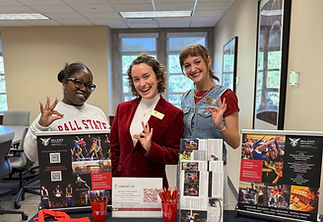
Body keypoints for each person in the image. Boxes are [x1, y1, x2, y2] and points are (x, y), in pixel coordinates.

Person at [110, 54, 183, 188]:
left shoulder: (173, 113)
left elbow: (177, 155)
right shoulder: (122, 109)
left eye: (146, 76)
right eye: (136, 79)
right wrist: (115, 178)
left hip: (153, 186)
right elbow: (114, 148)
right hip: (123, 186)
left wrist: (151, 148)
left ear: (158, 77)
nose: (142, 84)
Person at [24, 62, 109, 163]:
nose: (84, 89)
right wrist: (41, 126)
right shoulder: (50, 115)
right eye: (78, 82)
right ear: (65, 83)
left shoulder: (98, 113)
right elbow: (32, 156)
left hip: (98, 176)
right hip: (63, 175)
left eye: (89, 85)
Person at [179, 44, 240, 160]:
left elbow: (235, 142)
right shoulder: (185, 97)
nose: (193, 69)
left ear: (208, 61)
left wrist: (220, 125)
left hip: (213, 167)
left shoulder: (226, 96)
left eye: (197, 62)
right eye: (187, 66)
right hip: (188, 165)